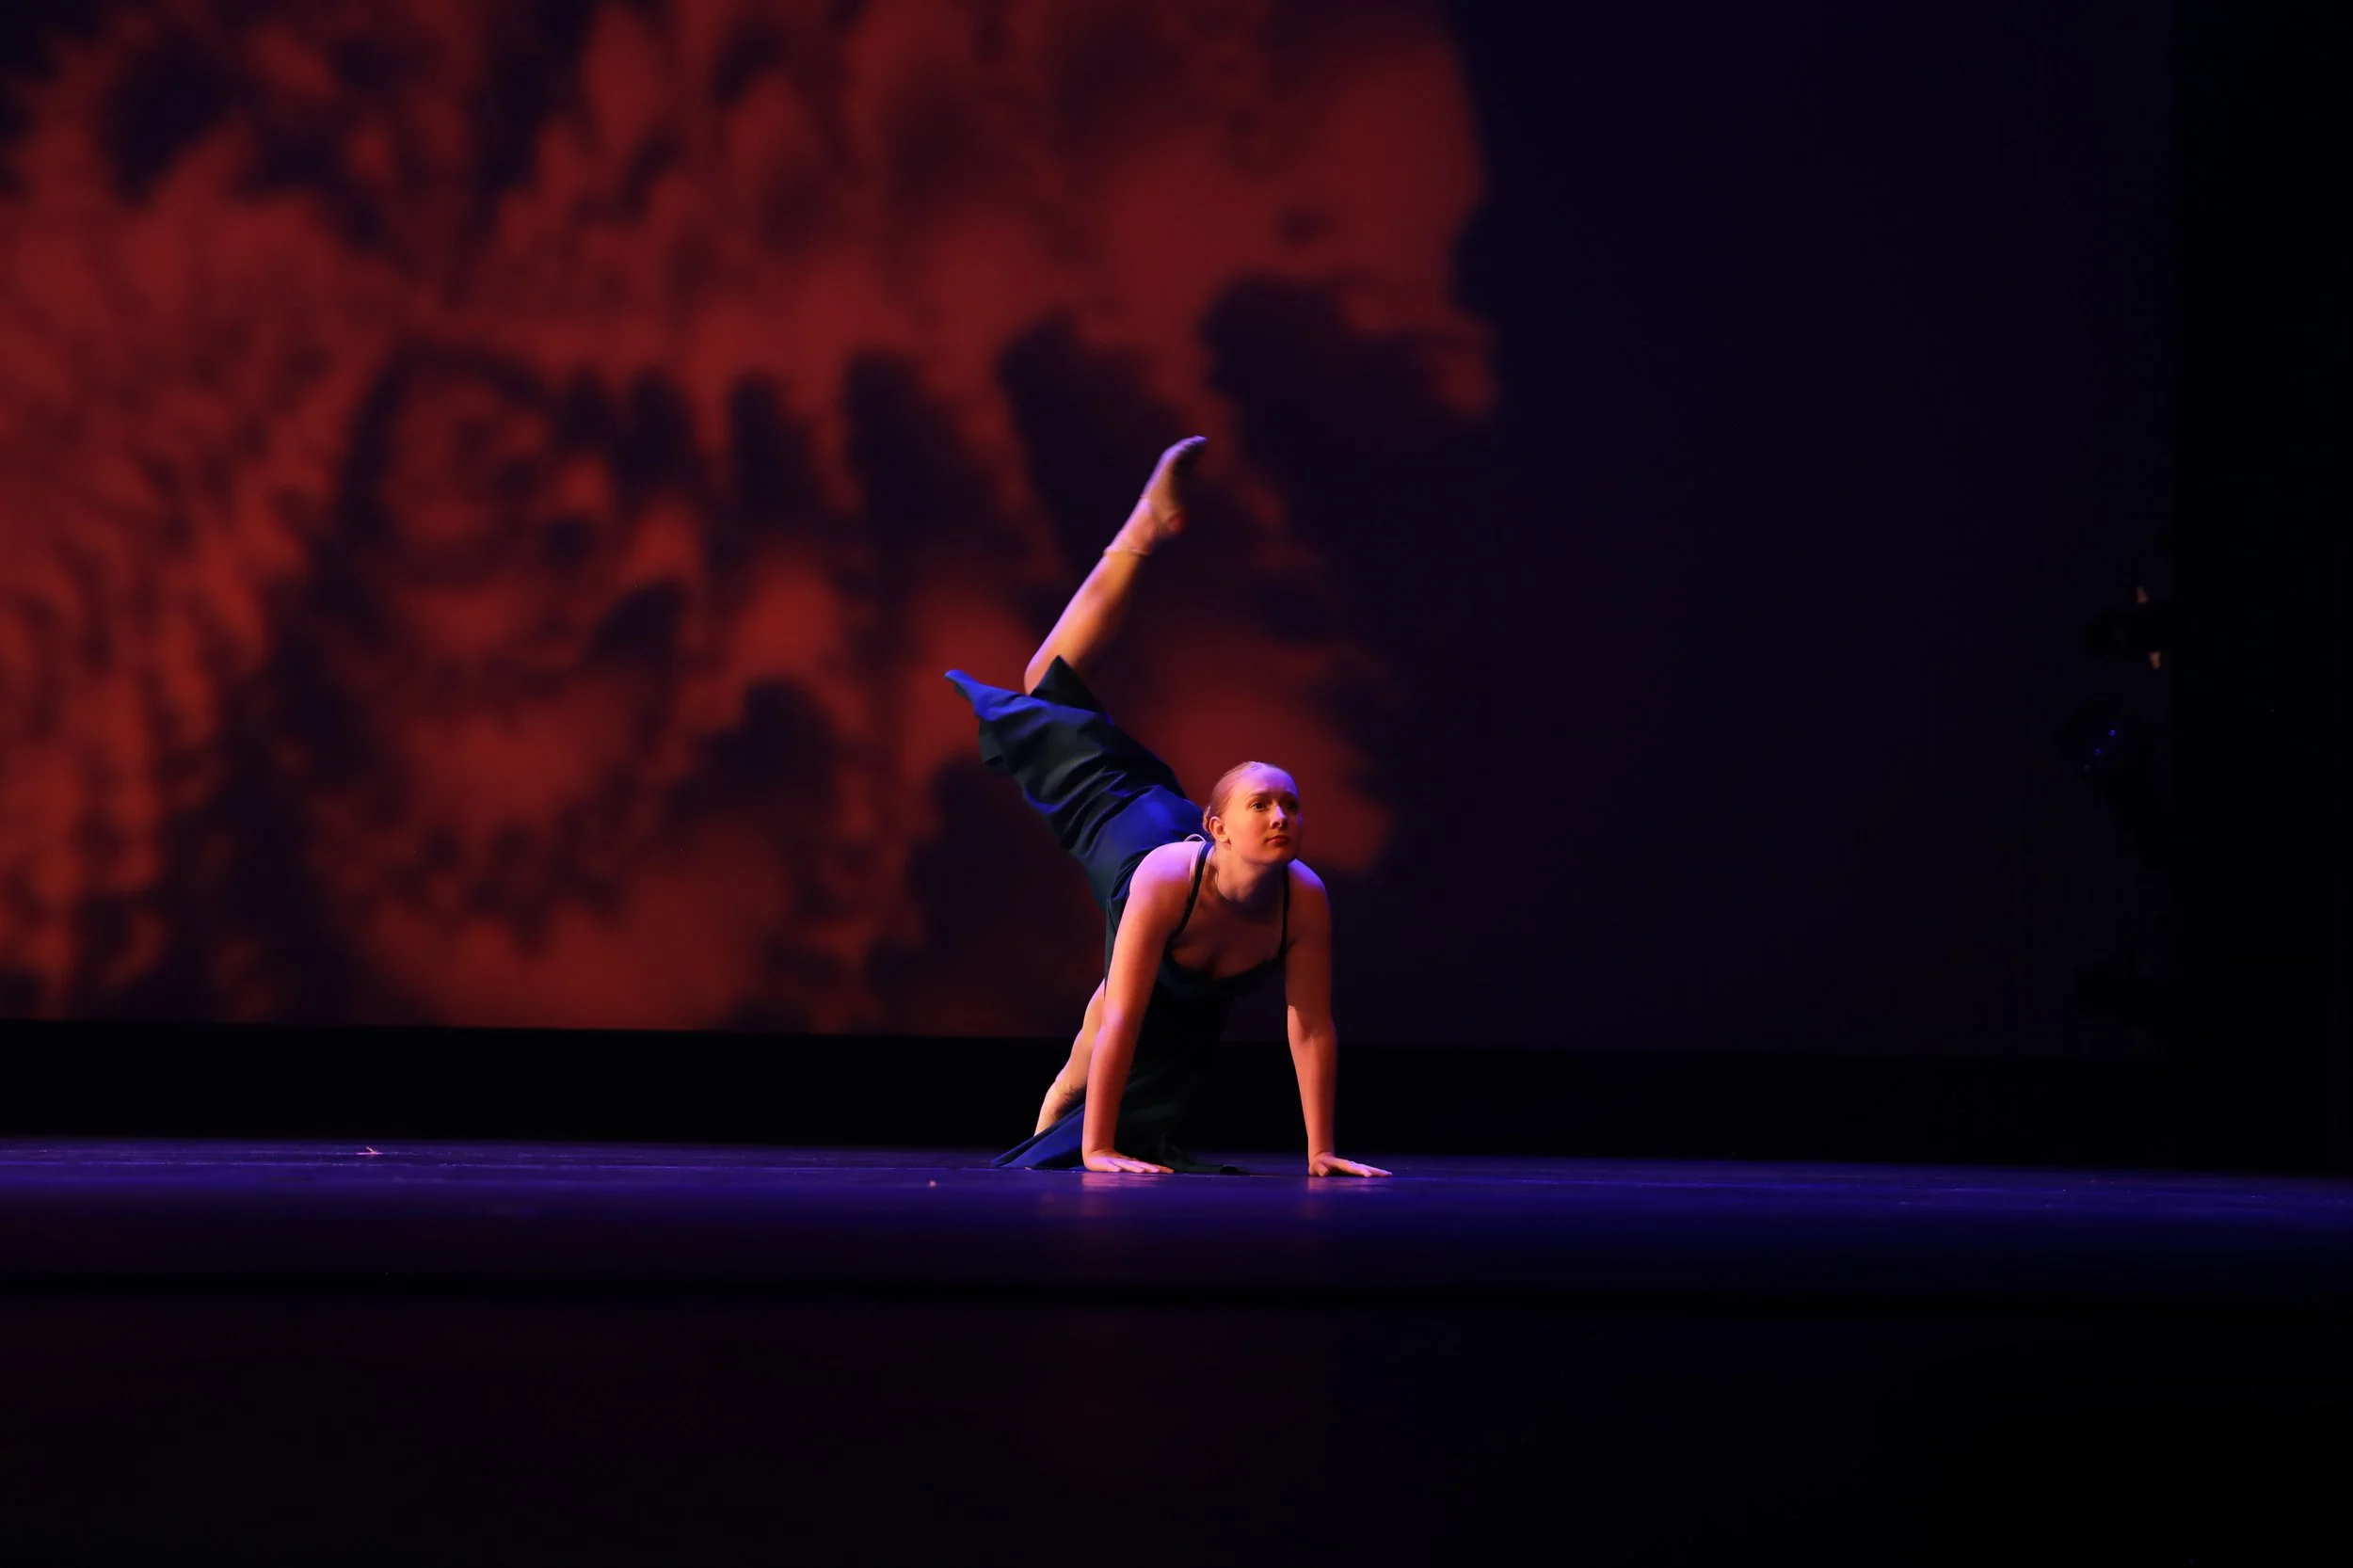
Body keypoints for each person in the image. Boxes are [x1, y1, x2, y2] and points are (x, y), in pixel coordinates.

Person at [945, 438, 1391, 1176]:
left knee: (1102, 1028)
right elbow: (1126, 1016)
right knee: (1043, 683)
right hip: (1130, 825)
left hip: (1182, 858)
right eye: (1262, 805)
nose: (1281, 817)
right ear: (1219, 828)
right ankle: (1141, 529)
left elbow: (1310, 1027)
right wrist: (1098, 1150)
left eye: (1290, 805)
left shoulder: (1302, 897)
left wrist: (1321, 1152)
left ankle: (1055, 1108)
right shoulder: (1161, 880)